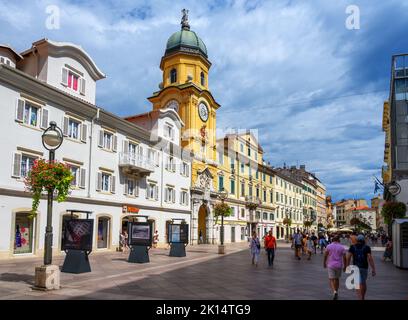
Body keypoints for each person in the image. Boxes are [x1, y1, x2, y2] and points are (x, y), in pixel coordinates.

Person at [346, 234, 376, 300]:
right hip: (364, 267)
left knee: (357, 283)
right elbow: (370, 258)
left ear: (357, 240)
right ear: (363, 240)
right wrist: (373, 269)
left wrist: (347, 266)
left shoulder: (352, 247)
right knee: (363, 282)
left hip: (355, 267)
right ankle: (362, 297)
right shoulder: (367, 247)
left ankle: (359, 297)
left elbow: (348, 257)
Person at [324, 235, 347, 300]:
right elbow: (344, 257)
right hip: (339, 265)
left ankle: (334, 291)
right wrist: (345, 266)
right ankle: (336, 291)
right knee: (337, 279)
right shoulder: (342, 247)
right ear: (338, 240)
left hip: (331, 265)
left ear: (332, 240)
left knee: (331, 279)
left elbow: (325, 255)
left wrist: (324, 263)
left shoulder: (329, 246)